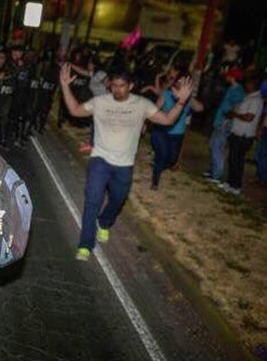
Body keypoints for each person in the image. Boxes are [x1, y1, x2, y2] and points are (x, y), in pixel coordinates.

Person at [59, 65, 193, 261]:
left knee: (118, 198)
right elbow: (74, 110)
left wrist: (181, 102)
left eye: (121, 86)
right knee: (92, 200)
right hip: (100, 159)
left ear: (130, 86)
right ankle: (85, 245)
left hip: (124, 164)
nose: (117, 90)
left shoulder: (142, 104)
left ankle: (104, 222)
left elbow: (166, 120)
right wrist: (64, 86)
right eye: (113, 86)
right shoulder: (100, 102)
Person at [150, 71, 204, 189]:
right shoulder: (166, 94)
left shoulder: (188, 99)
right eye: (180, 81)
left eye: (186, 82)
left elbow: (200, 108)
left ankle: (158, 166)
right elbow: (154, 110)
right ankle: (155, 182)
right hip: (162, 131)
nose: (182, 84)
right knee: (161, 155)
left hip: (177, 133)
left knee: (172, 160)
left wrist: (187, 98)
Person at [220, 76, 263, 195]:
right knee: (232, 159)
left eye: (247, 83)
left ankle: (236, 185)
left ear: (253, 84)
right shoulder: (248, 97)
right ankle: (230, 182)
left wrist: (235, 114)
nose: (245, 85)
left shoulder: (256, 99)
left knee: (237, 160)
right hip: (237, 132)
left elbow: (249, 117)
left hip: (244, 134)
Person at [203, 66, 245, 183]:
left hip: (224, 122)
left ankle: (216, 175)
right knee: (213, 145)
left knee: (218, 147)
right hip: (220, 120)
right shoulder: (232, 88)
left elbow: (236, 108)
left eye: (228, 75)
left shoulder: (237, 91)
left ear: (232, 77)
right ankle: (213, 170)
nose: (226, 76)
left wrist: (227, 120)